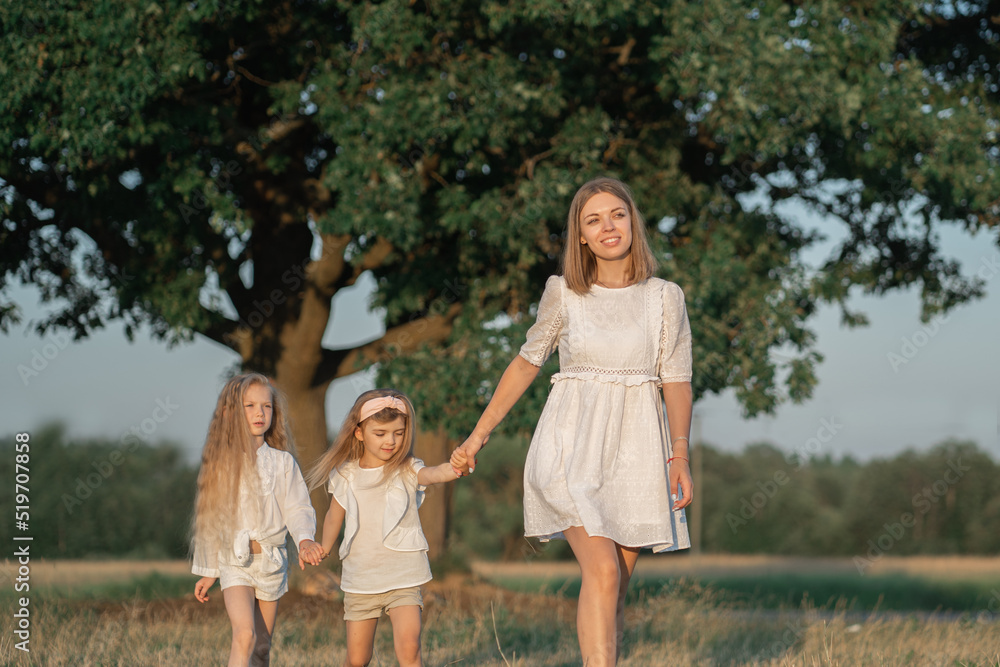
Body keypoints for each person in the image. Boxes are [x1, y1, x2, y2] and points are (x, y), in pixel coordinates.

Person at [454, 177, 694, 666]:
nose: (608, 226)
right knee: (603, 573)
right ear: (580, 236)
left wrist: (680, 455)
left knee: (616, 588)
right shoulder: (564, 293)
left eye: (617, 215)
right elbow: (526, 363)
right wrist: (477, 437)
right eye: (593, 219)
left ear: (633, 222)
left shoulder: (664, 297)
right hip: (570, 448)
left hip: (637, 454)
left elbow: (677, 379)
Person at [306, 388, 467, 667]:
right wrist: (324, 547)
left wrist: (455, 468)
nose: (390, 441)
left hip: (403, 576)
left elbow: (433, 474)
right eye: (380, 433)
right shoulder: (346, 473)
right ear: (359, 433)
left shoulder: (407, 468)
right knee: (357, 659)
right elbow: (334, 515)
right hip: (361, 580)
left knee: (410, 649)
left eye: (399, 433)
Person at [190, 372, 324, 667]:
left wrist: (304, 539)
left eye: (266, 406)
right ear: (229, 413)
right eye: (249, 406)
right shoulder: (222, 463)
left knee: (262, 648)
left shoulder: (282, 462)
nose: (259, 413)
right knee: (245, 635)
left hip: (272, 563)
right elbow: (212, 519)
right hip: (234, 562)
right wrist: (210, 569)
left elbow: (297, 507)